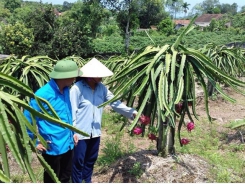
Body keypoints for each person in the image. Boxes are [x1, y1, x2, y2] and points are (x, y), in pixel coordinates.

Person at [70, 58, 137, 183]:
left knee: (91, 159)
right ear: (90, 76)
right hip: (80, 132)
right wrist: (73, 131)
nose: (101, 77)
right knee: (78, 161)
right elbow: (72, 110)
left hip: (95, 131)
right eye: (98, 75)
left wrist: (132, 112)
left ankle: (87, 180)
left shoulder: (102, 88)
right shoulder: (77, 89)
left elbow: (115, 103)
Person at [24, 59, 82, 183]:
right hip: (52, 146)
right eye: (73, 76)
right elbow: (28, 118)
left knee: (66, 176)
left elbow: (67, 114)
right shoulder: (42, 95)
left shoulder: (66, 90)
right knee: (52, 179)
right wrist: (34, 142)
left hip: (68, 143)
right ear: (65, 77)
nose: (75, 79)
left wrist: (73, 133)